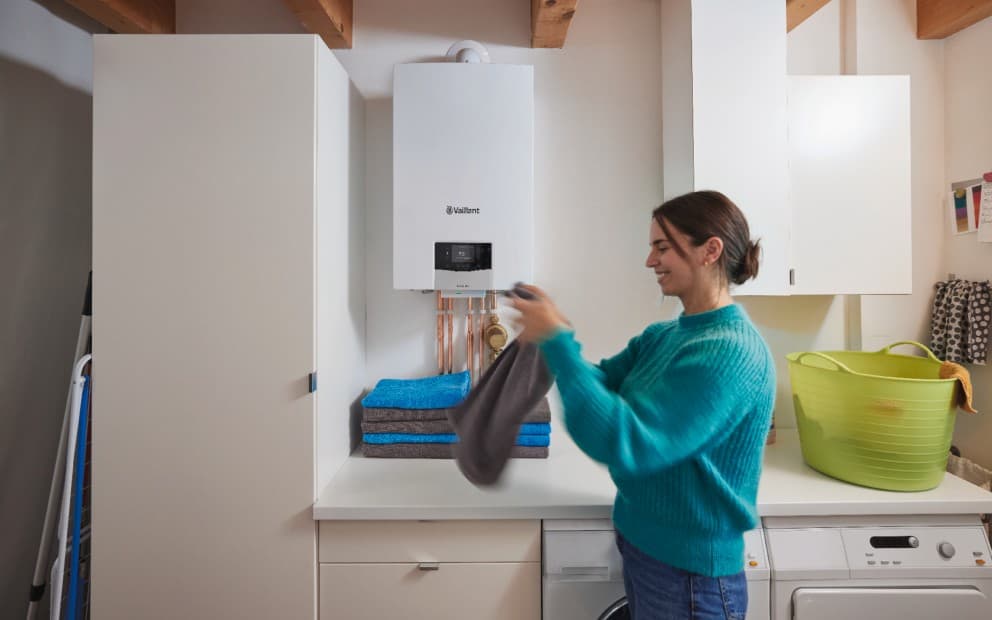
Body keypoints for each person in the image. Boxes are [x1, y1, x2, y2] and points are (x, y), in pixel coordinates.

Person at [509, 190, 776, 619]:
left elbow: (627, 441)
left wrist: (557, 343)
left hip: (693, 579)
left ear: (710, 250)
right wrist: (555, 337)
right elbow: (602, 383)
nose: (650, 261)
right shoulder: (666, 336)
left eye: (662, 247)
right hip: (648, 554)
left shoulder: (729, 351)